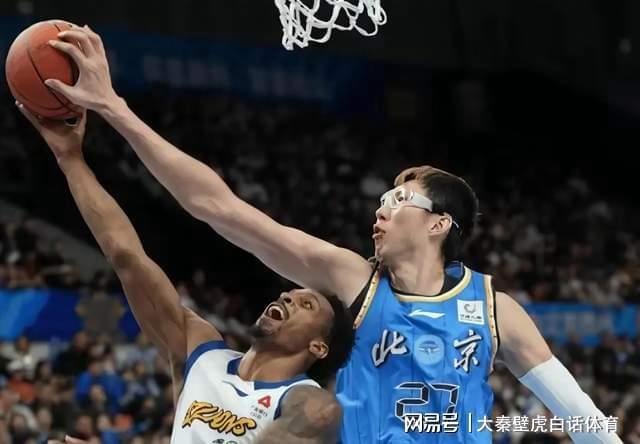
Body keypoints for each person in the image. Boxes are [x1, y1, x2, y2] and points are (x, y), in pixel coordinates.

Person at [44, 25, 622, 443]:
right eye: (381, 200)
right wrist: (115, 110)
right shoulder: (352, 280)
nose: (380, 211)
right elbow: (216, 206)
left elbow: (580, 415)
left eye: (398, 202)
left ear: (439, 224)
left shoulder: (495, 310)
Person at [18, 103, 354, 443]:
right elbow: (126, 256)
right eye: (290, 294)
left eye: (307, 304)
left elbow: (308, 424)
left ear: (319, 346)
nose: (287, 297)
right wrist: (70, 160)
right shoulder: (202, 352)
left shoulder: (307, 401)